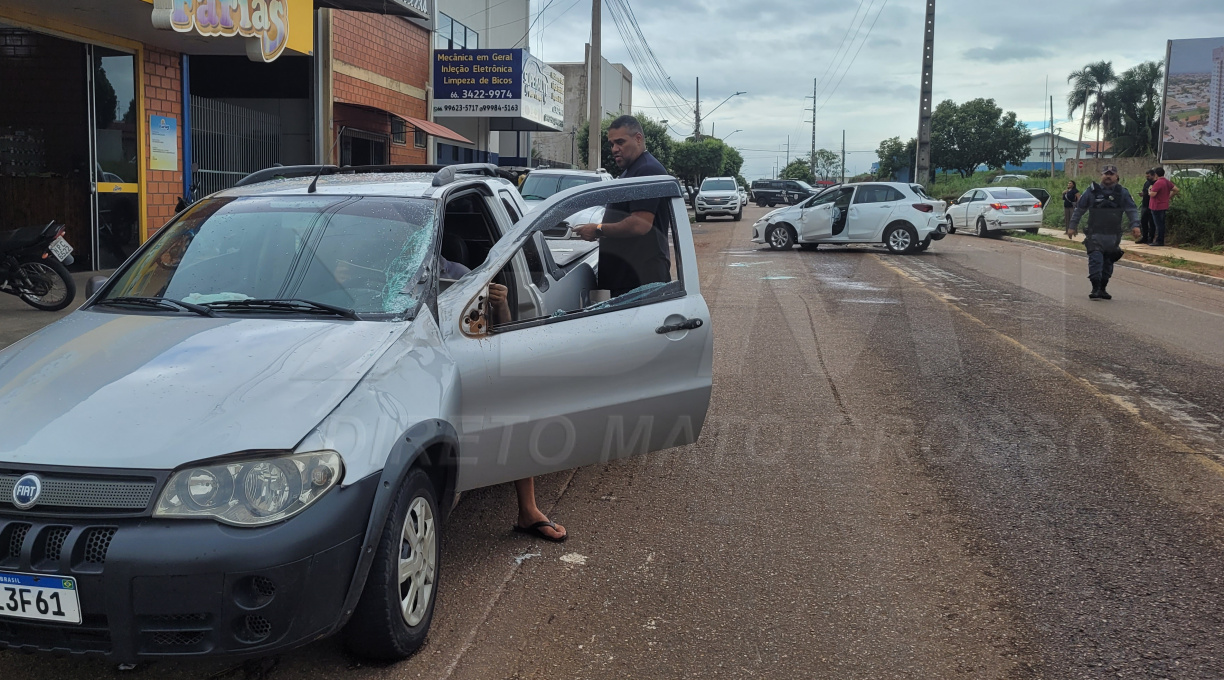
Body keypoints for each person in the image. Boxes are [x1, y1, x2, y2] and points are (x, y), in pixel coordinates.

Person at [439, 253, 568, 542]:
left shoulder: (462, 275)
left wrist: (501, 305)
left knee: (516, 408)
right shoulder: (370, 276)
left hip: (465, 360)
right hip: (417, 366)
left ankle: (529, 510)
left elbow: (495, 334)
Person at [572, 115, 672, 297]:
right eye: (611, 144)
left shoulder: (646, 170)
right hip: (630, 278)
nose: (614, 149)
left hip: (641, 280)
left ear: (638, 138)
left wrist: (598, 230)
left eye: (620, 142)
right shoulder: (633, 170)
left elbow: (640, 224)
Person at [1066, 165, 1141, 300]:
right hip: (1095, 235)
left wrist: (1135, 226)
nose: (1108, 176)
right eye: (1106, 173)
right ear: (1101, 175)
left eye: (1111, 174)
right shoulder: (1091, 191)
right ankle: (1095, 288)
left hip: (1113, 236)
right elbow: (1079, 209)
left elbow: (1132, 210)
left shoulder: (1122, 192)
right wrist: (1072, 226)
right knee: (1096, 261)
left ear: (1116, 177)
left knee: (1108, 264)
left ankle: (1103, 288)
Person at [1147, 166, 1179, 247]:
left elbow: (1153, 194)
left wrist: (1149, 191)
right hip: (1164, 205)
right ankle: (1160, 240)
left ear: (1156, 174)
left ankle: (1159, 241)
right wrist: (1168, 197)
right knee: (1161, 224)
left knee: (1158, 224)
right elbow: (1176, 189)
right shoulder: (1166, 182)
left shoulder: (1158, 183)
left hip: (1156, 206)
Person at [1137, 169, 1156, 244]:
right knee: (1143, 222)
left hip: (1152, 205)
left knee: (1152, 223)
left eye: (1148, 176)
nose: (1147, 178)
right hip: (1145, 204)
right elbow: (1145, 191)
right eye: (1146, 176)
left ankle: (1151, 238)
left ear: (1153, 175)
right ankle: (1144, 237)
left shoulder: (1156, 183)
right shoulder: (1147, 183)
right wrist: (1142, 193)